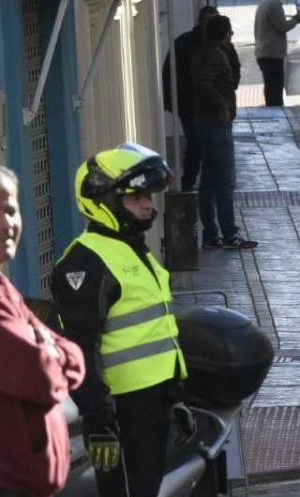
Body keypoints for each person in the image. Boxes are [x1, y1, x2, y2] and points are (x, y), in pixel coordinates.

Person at [52, 144, 189, 497]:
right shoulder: (85, 263)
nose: (148, 204)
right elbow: (78, 351)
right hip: (121, 414)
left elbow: (153, 332)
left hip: (152, 404)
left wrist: (173, 398)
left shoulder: (132, 247)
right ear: (104, 201)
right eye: (135, 196)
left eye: (148, 195)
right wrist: (99, 422)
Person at [0, 166, 85, 497]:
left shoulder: (6, 288)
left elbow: (72, 355)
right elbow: (41, 376)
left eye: (10, 210)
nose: (7, 223)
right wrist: (50, 351)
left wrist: (51, 349)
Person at [193, 16, 257, 250]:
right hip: (216, 123)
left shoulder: (204, 52)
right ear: (225, 34)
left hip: (205, 121)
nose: (232, 37)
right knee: (225, 181)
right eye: (230, 32)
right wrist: (223, 106)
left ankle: (211, 234)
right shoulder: (215, 54)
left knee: (209, 181)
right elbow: (205, 81)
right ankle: (229, 233)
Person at [162, 6, 218, 191]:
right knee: (195, 141)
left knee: (209, 143)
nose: (211, 26)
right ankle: (189, 181)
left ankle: (206, 181)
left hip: (211, 105)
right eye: (208, 22)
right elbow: (168, 72)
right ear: (199, 22)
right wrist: (170, 101)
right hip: (189, 104)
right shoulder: (184, 43)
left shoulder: (217, 44)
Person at [254, 0, 300, 107]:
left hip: (264, 52)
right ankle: (276, 113)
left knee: (271, 86)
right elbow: (282, 26)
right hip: (271, 54)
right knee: (275, 88)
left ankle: (272, 111)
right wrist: (296, 19)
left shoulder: (264, 3)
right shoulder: (274, 4)